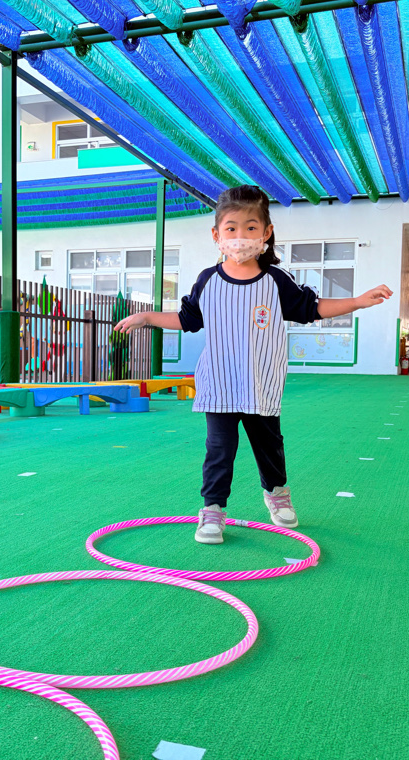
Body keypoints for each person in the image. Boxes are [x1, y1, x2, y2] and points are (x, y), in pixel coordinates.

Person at [114, 185, 391, 544]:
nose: (240, 236)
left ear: (266, 233)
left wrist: (357, 301)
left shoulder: (275, 281)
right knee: (219, 449)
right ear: (217, 235)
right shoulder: (208, 280)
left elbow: (312, 309)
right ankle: (213, 510)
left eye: (250, 227)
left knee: (268, 446)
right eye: (231, 228)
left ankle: (276, 494)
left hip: (261, 384)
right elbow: (187, 319)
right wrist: (148, 317)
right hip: (219, 385)